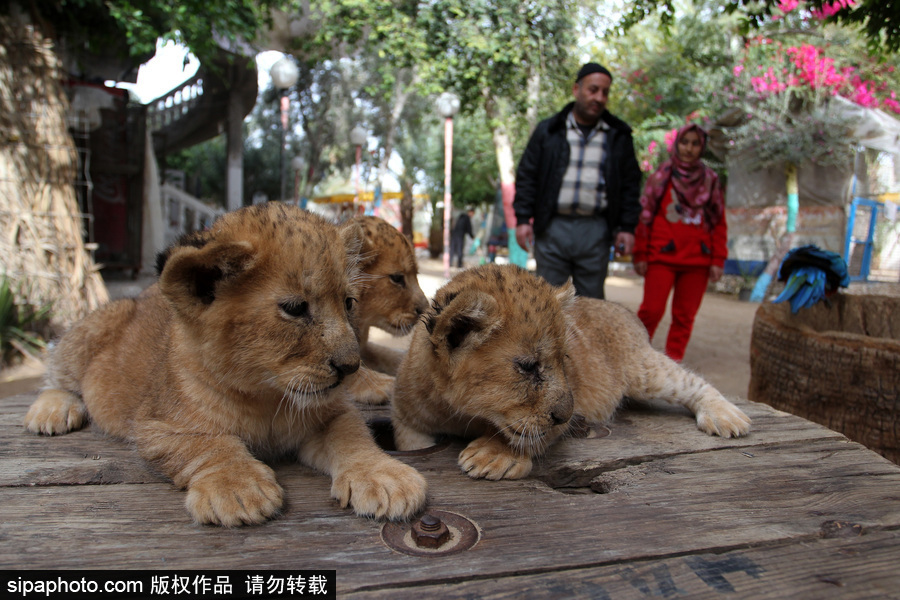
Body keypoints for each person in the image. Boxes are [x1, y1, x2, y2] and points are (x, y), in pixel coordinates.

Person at [513, 62, 642, 299]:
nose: (599, 97)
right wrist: (522, 219)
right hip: (552, 228)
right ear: (576, 90)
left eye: (605, 92)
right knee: (548, 303)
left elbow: (630, 185)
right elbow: (527, 176)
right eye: (593, 90)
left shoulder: (619, 135)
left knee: (591, 304)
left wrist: (627, 227)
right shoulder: (548, 131)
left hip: (595, 230)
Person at [633, 123, 727, 363]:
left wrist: (718, 259)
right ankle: (633, 359)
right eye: (685, 142)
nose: (689, 149)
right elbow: (645, 217)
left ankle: (672, 369)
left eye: (696, 144)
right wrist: (640, 253)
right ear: (677, 144)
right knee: (650, 311)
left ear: (702, 147)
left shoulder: (711, 180)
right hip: (661, 258)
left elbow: (718, 221)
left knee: (684, 319)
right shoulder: (661, 177)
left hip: (698, 261)